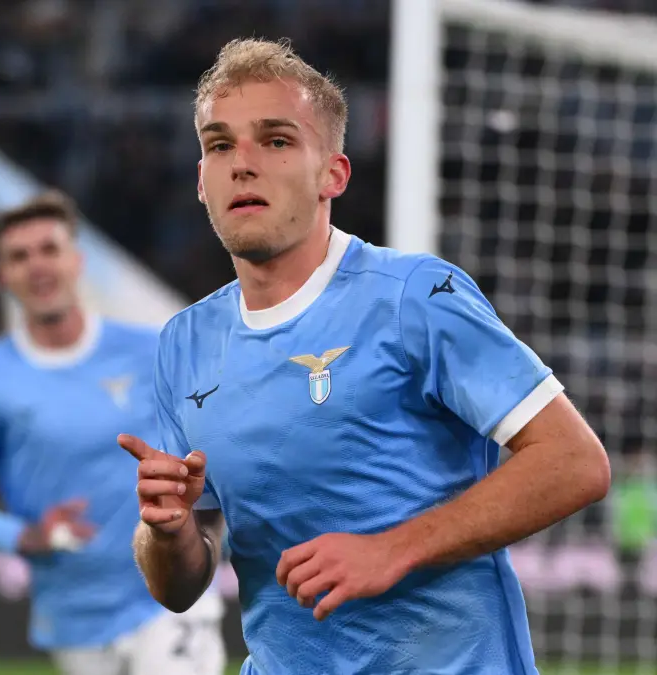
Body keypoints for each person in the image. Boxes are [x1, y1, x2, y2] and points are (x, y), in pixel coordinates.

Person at [120, 38, 611, 674]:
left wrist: (392, 550)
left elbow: (574, 462)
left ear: (334, 174)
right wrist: (167, 531)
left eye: (275, 140)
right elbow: (181, 584)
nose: (242, 164)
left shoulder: (415, 296)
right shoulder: (184, 343)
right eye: (219, 145)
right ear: (200, 181)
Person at [0, 191, 226, 675]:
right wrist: (26, 535)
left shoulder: (152, 350)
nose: (37, 266)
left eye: (49, 249)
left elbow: (214, 444)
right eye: (19, 256)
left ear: (77, 261)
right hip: (72, 616)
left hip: (166, 601)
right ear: (2, 276)